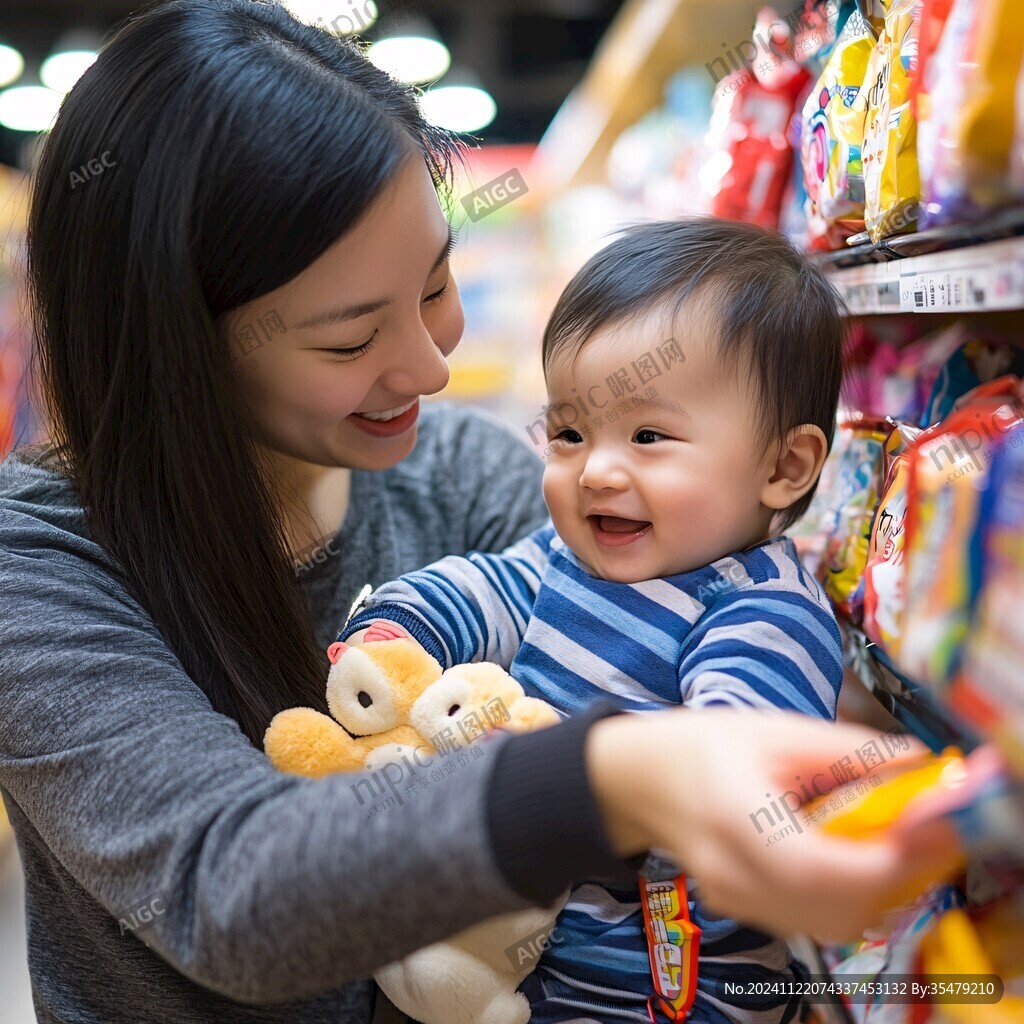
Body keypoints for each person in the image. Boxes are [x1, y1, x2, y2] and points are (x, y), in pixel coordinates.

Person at [0, 3, 960, 1024]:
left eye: (438, 283)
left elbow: (656, 625)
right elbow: (226, 886)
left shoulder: (454, 469)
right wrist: (616, 774)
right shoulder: (39, 568)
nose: (430, 365)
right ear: (178, 349)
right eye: (349, 339)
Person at [340, 218, 844, 1023]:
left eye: (649, 436)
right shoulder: (565, 559)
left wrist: (540, 778)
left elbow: (731, 778)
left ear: (784, 467)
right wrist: (402, 631)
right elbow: (488, 586)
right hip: (535, 961)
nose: (597, 471)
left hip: (665, 987)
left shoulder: (761, 612)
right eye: (570, 433)